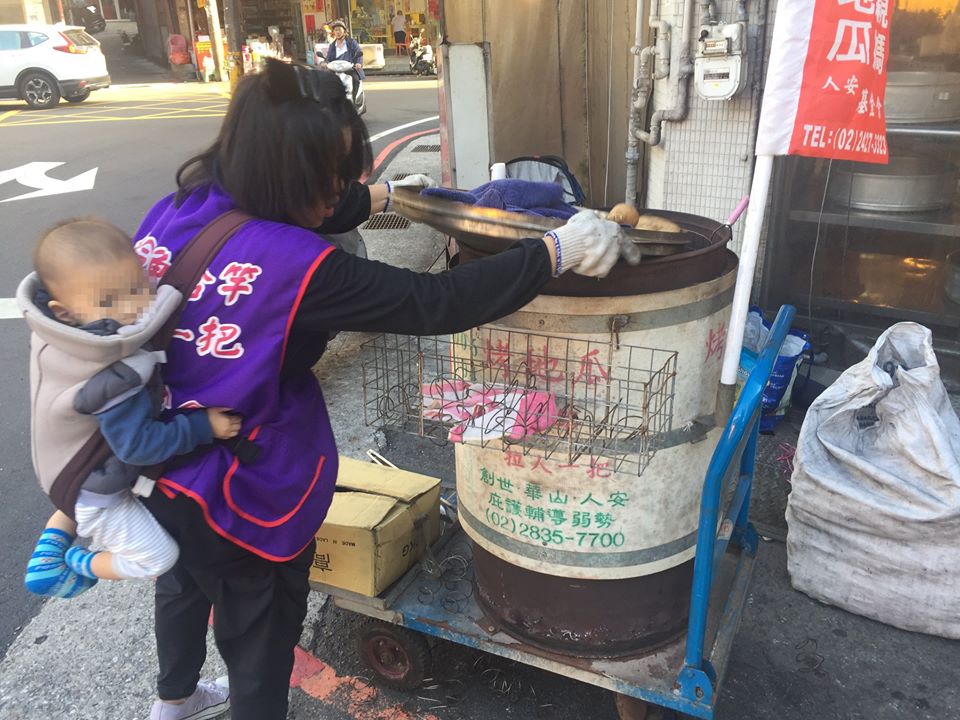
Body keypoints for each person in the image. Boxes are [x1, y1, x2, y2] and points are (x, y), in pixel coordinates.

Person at [131, 59, 622, 720]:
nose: (340, 189)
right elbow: (435, 302)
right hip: (237, 485)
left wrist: (387, 197)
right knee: (261, 641)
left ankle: (175, 700)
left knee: (183, 581)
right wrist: (555, 251)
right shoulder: (297, 265)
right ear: (289, 172)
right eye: (331, 175)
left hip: (158, 457)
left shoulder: (182, 207)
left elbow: (306, 202)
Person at [18, 219, 242, 601]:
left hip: (66, 464)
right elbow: (138, 447)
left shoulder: (58, 335)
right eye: (109, 302)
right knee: (159, 558)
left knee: (77, 497)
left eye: (138, 288)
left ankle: (54, 538)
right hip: (94, 488)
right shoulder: (114, 374)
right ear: (65, 311)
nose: (134, 308)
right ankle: (76, 563)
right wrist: (202, 426)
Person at [324, 19, 364, 97]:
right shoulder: (332, 46)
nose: (338, 32)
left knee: (356, 80)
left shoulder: (351, 42)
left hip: (350, 69)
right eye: (336, 30)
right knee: (326, 80)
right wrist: (325, 63)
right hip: (336, 70)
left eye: (339, 29)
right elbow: (328, 58)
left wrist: (358, 63)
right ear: (333, 32)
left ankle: (355, 98)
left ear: (344, 31)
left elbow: (358, 52)